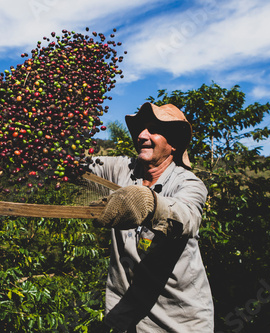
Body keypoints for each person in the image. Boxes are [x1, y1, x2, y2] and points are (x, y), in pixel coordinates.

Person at [89, 102, 214, 332]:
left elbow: (186, 218)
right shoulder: (122, 169)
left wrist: (148, 203)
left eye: (154, 130)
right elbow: (74, 166)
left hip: (177, 322)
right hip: (124, 317)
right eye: (141, 129)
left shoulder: (188, 184)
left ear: (174, 143)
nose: (142, 135)